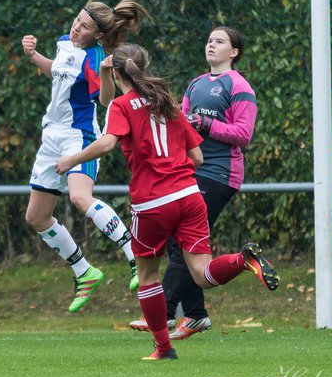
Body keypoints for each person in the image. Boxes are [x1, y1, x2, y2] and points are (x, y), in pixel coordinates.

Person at [55, 44, 277, 360]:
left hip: (152, 201)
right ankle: (243, 260)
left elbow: (106, 143)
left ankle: (163, 348)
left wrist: (71, 160)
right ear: (142, 69)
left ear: (117, 74)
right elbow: (197, 157)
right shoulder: (168, 104)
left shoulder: (121, 104)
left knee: (147, 276)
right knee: (201, 273)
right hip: (189, 195)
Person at [130, 25, 276, 339]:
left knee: (184, 242)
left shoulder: (239, 86)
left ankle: (165, 313)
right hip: (189, 173)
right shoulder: (196, 84)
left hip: (220, 174)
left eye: (219, 41)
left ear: (234, 52)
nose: (211, 45)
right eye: (209, 40)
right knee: (176, 242)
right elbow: (181, 125)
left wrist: (207, 124)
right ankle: (196, 315)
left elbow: (243, 135)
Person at [22, 0, 148, 312]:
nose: (77, 27)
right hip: (50, 137)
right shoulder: (65, 43)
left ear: (99, 36)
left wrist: (106, 71)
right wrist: (33, 55)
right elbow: (59, 73)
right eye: (78, 19)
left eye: (85, 26)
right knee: (36, 216)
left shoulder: (95, 58)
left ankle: (132, 250)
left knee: (80, 197)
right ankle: (84, 271)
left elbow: (104, 100)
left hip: (79, 136)